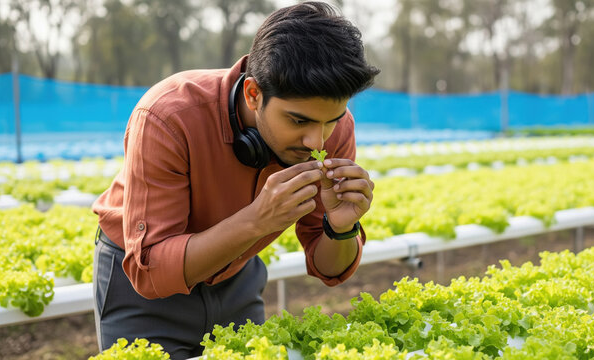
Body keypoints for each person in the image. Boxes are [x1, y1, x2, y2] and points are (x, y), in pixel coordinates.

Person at [91, 1, 380, 358]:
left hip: (237, 277)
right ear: (253, 93)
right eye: (299, 121)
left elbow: (329, 269)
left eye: (332, 120)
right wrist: (258, 220)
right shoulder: (169, 116)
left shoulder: (335, 130)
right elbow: (150, 271)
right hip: (138, 281)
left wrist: (340, 228)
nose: (318, 142)